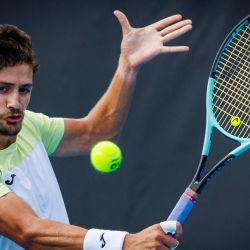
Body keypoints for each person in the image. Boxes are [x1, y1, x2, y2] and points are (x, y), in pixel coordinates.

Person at [0, 10, 192, 250]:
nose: (15, 103)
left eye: (24, 90)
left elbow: (97, 134)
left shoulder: (29, 124)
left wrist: (127, 67)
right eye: (3, 89)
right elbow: (28, 231)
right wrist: (125, 242)